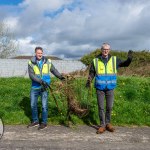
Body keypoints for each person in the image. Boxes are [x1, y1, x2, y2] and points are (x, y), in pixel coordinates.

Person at [86, 43, 133, 134]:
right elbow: (92, 72)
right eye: (104, 49)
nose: (105, 51)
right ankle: (102, 125)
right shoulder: (95, 60)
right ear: (101, 50)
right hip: (100, 87)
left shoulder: (114, 60)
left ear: (109, 50)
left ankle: (108, 123)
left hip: (110, 87)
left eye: (107, 49)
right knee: (101, 107)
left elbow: (125, 64)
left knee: (109, 107)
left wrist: (129, 59)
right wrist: (89, 80)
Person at [28, 47, 65, 130]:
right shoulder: (31, 62)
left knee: (44, 106)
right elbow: (31, 75)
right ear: (35, 53)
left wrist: (60, 77)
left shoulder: (48, 62)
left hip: (44, 87)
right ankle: (35, 121)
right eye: (38, 53)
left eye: (41, 53)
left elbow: (54, 70)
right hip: (35, 87)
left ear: (42, 53)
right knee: (32, 104)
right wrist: (41, 81)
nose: (40, 54)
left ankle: (44, 123)